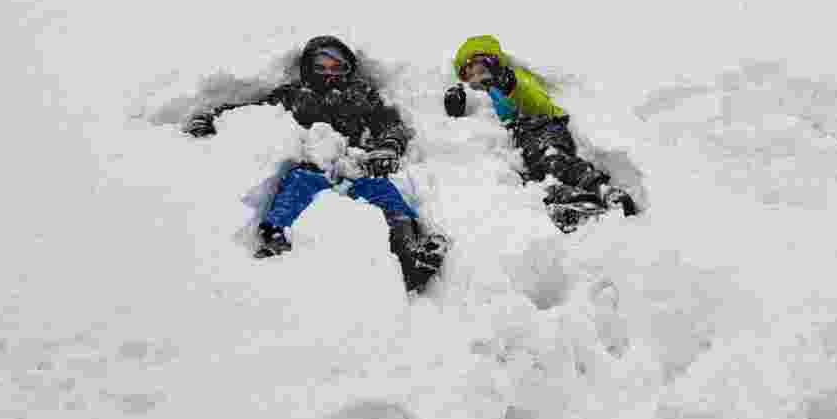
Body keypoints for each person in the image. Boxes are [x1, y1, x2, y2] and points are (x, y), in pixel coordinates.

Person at [182, 36, 448, 292]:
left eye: (337, 66)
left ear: (348, 68)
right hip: (312, 163)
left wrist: (387, 147)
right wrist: (214, 117)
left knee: (385, 192)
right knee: (297, 185)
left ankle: (408, 255)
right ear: (308, 68)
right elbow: (250, 111)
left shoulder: (362, 94)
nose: (329, 73)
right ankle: (275, 239)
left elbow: (390, 123)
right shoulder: (295, 94)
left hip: (355, 165)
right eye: (320, 67)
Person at [443, 35, 638, 232]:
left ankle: (600, 189)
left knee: (553, 159)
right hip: (519, 143)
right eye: (470, 76)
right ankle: (568, 198)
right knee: (537, 172)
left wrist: (511, 86)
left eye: (482, 71)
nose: (477, 79)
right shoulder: (478, 97)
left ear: (495, 65)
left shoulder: (511, 78)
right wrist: (457, 107)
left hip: (541, 125)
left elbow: (538, 102)